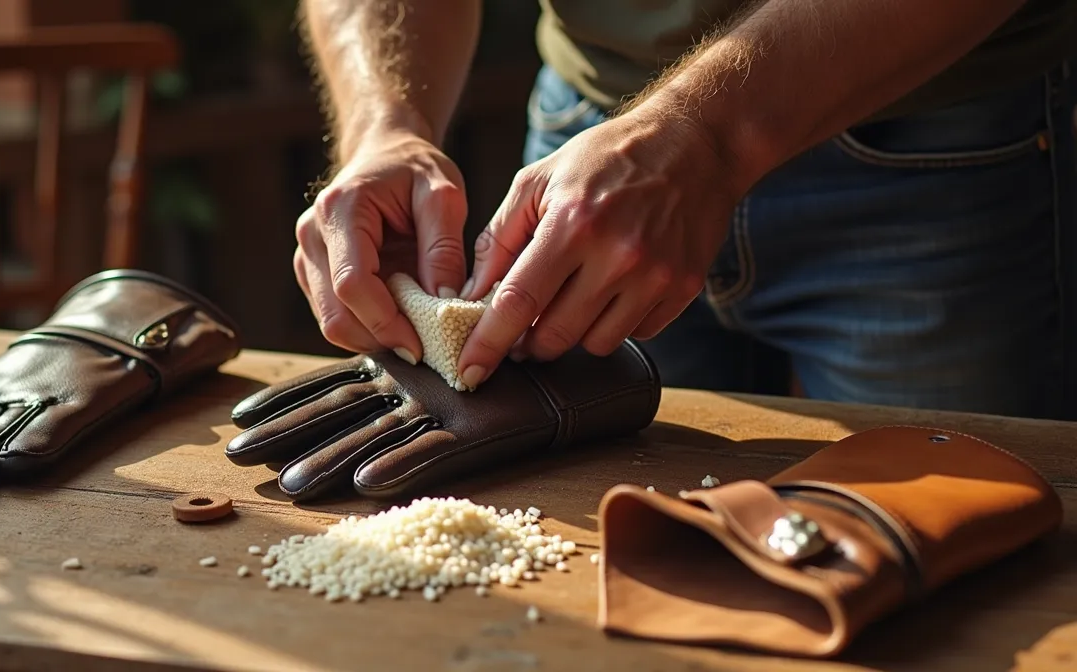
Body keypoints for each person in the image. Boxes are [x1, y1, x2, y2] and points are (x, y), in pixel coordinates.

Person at [291, 0, 1077, 420]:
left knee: (954, 562)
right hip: (578, 147)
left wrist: (706, 138)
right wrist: (381, 127)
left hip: (937, 149)